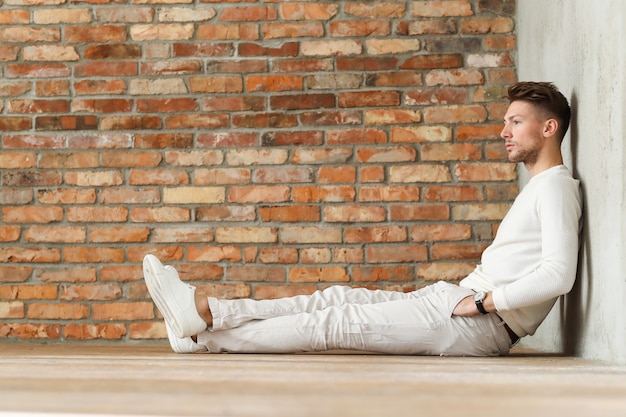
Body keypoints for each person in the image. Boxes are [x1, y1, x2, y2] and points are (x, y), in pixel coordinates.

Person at [143, 81, 583, 356]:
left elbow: (559, 275)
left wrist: (485, 302)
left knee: (335, 324)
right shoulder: (539, 187)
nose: (504, 131)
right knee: (332, 299)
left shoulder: (558, 187)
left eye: (516, 121)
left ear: (548, 129)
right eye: (505, 121)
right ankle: (207, 311)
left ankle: (201, 338)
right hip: (457, 300)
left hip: (482, 324)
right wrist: (470, 297)